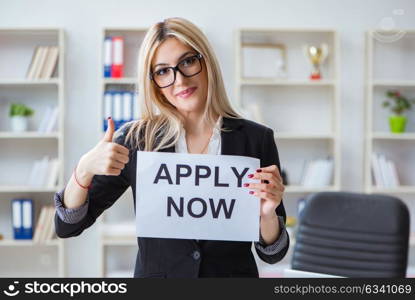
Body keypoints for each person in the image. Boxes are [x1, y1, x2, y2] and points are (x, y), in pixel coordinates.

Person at [54, 17, 289, 278]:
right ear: (153, 81)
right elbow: (68, 226)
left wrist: (267, 216)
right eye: (163, 71)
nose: (179, 80)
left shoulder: (257, 139)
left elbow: (272, 253)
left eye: (188, 61)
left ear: (206, 61)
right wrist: (84, 170)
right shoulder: (138, 140)